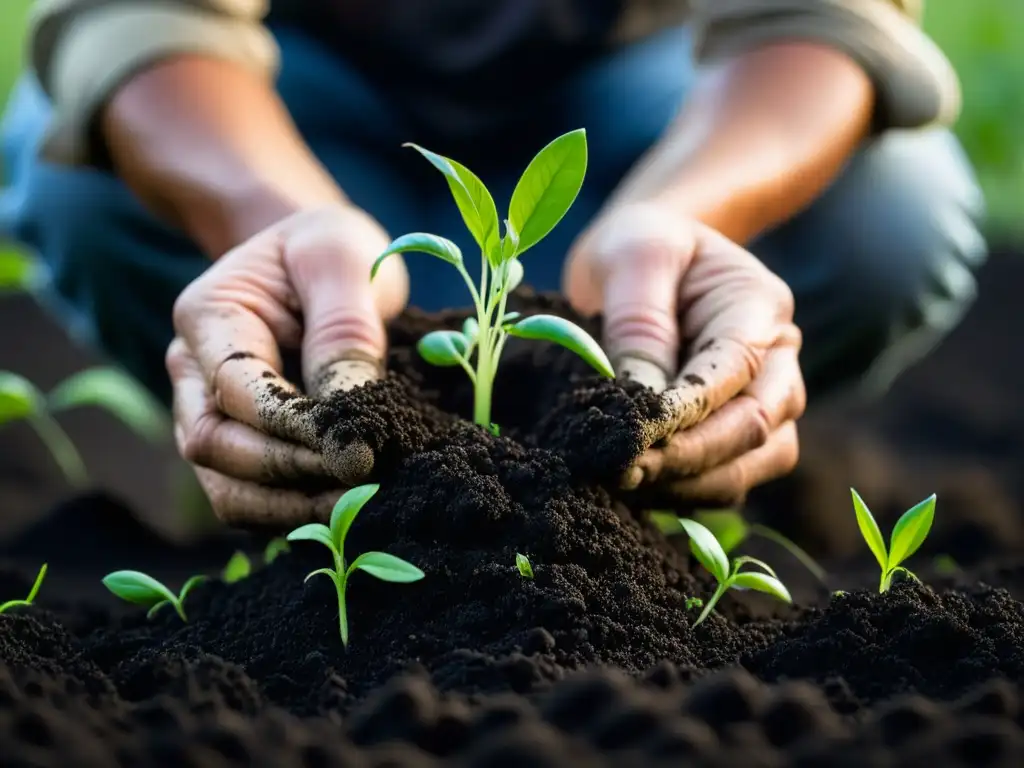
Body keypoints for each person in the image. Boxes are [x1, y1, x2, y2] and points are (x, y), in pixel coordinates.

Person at [0, 1, 986, 527]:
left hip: (644, 100)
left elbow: (815, 21)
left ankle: (636, 490)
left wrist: (678, 215)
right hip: (297, 107)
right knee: (71, 168)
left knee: (885, 216)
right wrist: (279, 221)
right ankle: (292, 467)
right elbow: (138, 19)